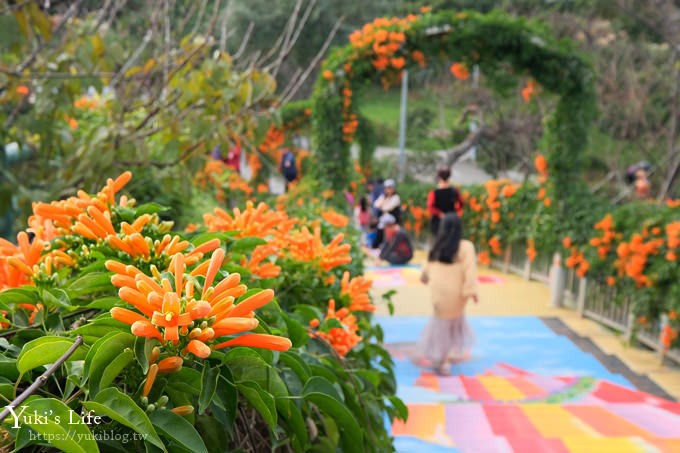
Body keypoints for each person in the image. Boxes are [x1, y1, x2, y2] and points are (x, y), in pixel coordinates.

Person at [416, 213, 479, 376]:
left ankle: (442, 358)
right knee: (453, 324)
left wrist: (424, 279)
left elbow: (426, 271)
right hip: (457, 295)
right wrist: (471, 291)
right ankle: (445, 357)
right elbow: (470, 270)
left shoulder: (436, 247)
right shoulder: (466, 247)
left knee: (440, 326)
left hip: (439, 295)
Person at [427, 167, 464, 239]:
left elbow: (430, 206)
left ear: (439, 178)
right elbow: (461, 202)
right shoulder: (454, 191)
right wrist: (454, 211)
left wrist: (440, 214)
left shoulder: (434, 193)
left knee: (439, 241)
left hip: (438, 222)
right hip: (452, 220)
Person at [372, 179, 401, 248]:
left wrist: (382, 205)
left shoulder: (396, 197)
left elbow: (388, 208)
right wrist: (383, 203)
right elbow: (376, 204)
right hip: (383, 219)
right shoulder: (384, 197)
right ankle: (377, 245)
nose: (388, 190)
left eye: (389, 188)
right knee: (379, 227)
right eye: (386, 188)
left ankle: (382, 245)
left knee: (384, 223)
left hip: (392, 219)